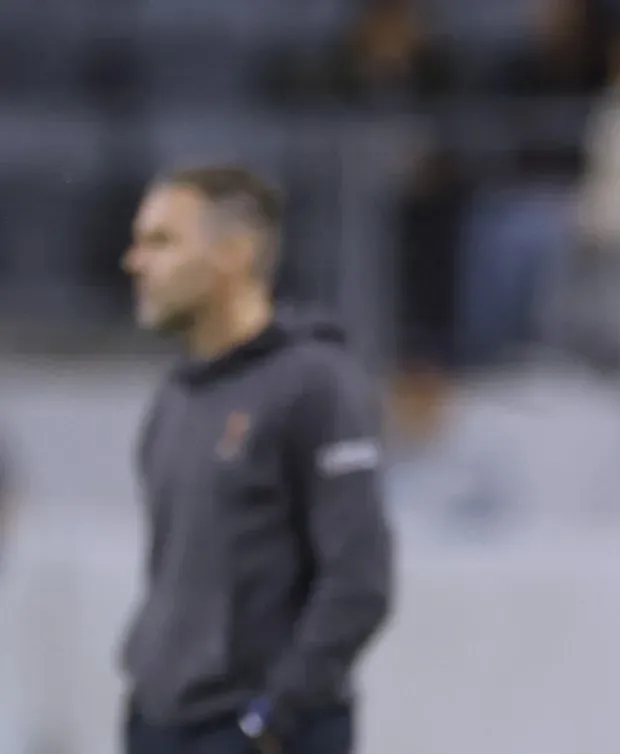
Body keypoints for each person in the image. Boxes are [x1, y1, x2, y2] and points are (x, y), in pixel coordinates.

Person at [119, 164, 392, 754]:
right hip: (161, 725)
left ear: (234, 254)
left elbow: (360, 580)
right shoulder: (175, 395)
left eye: (161, 241)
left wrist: (272, 720)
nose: (134, 261)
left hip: (255, 730)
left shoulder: (313, 383)